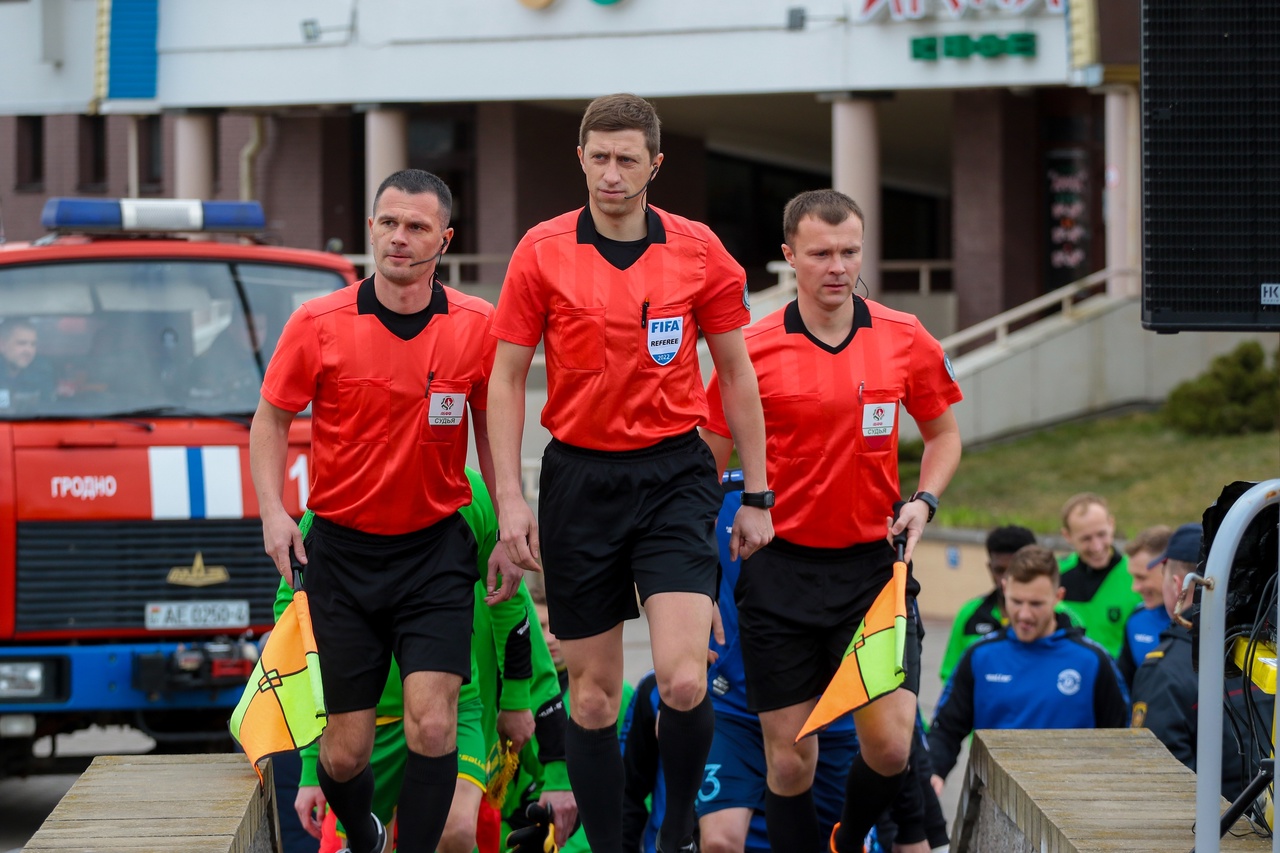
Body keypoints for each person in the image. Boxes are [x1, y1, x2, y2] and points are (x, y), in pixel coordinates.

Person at [487, 92, 773, 853]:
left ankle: (673, 833)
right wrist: (510, 497)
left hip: (674, 475)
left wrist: (757, 493)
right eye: (599, 158)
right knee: (592, 699)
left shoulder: (699, 250)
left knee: (683, 680)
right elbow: (506, 378)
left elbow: (736, 375)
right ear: (580, 159)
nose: (611, 173)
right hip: (579, 480)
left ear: (655, 165)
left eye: (627, 159)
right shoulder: (541, 250)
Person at [250, 169, 517, 853]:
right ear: (372, 228)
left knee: (435, 724)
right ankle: (366, 833)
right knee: (344, 754)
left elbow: (494, 430)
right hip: (342, 553)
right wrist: (274, 513)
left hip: (434, 551)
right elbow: (271, 418)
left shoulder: (476, 325)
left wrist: (509, 519)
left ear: (444, 240)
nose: (400, 237)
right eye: (389, 223)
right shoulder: (318, 322)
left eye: (417, 227)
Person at [701, 189, 962, 853]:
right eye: (820, 253)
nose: (838, 267)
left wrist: (924, 499)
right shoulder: (750, 348)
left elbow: (944, 435)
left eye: (850, 251)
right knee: (791, 761)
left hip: (873, 572)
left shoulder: (904, 336)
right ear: (789, 256)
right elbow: (706, 463)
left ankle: (848, 839)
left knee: (892, 746)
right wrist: (699, 578)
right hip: (778, 573)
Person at [287, 469, 576, 853]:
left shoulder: (468, 493)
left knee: (456, 832)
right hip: (369, 722)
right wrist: (312, 762)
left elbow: (511, 603)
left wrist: (517, 700)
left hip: (454, 703)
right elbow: (296, 621)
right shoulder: (335, 499)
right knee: (365, 827)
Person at [927, 544, 1130, 791]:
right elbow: (946, 728)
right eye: (1016, 601)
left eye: (1036, 604)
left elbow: (1121, 739)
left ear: (1058, 597)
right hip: (994, 800)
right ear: (1004, 589)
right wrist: (934, 771)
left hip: (1072, 802)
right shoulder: (980, 655)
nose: (1024, 614)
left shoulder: (1093, 661)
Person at [1130, 522, 1275, 804]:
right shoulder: (1265, 652)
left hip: (1217, 827)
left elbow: (1161, 783)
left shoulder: (1164, 671)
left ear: (1178, 585)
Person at [938, 525, 1037, 685]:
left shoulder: (1058, 615)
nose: (1005, 579)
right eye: (999, 570)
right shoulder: (969, 614)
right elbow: (951, 677)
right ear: (989, 568)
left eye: (1014, 570)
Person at [1057, 493, 1142, 658]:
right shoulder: (1054, 575)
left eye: (1101, 534)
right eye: (1086, 539)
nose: (1096, 547)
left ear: (1111, 524)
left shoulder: (1138, 576)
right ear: (1067, 536)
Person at [1117, 525, 1173, 687]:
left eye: (1141, 577)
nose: (1135, 587)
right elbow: (1124, 686)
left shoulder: (1206, 621)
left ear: (1168, 569)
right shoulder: (1137, 620)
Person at [0, 317, 56, 409]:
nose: (29, 351)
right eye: (21, 343)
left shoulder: (42, 372)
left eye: (33, 344)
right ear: (2, 345)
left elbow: (48, 409)